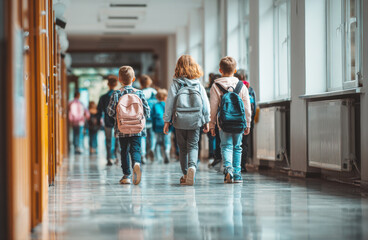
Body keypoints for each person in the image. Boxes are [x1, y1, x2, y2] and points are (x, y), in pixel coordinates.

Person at [163, 55, 210, 186]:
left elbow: (170, 103)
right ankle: (192, 167)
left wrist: (167, 121)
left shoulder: (176, 84)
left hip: (180, 120)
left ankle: (185, 174)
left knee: (182, 148)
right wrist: (207, 120)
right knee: (193, 146)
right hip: (195, 120)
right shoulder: (198, 84)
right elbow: (205, 103)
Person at [209, 56, 251, 183]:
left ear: (220, 70)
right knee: (237, 147)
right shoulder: (241, 86)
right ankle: (237, 174)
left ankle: (228, 170)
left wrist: (212, 125)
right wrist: (247, 123)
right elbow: (247, 107)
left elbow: (213, 108)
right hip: (239, 122)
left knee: (226, 146)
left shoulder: (216, 85)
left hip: (224, 123)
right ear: (235, 70)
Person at [107, 66, 150, 185]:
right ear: (134, 79)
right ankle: (136, 163)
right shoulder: (139, 93)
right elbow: (147, 111)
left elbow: (110, 111)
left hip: (122, 128)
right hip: (137, 128)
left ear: (119, 79)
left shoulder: (116, 93)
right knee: (136, 148)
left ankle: (126, 175)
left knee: (124, 150)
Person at [235, 70, 257, 172]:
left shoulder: (234, 88)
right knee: (244, 144)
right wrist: (250, 121)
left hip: (234, 120)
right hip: (247, 121)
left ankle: (234, 166)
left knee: (234, 143)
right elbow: (254, 106)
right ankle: (242, 166)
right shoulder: (250, 89)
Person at [97, 75, 120, 166]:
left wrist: (99, 120)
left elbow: (99, 110)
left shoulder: (103, 97)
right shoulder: (119, 95)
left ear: (108, 84)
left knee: (108, 140)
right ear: (116, 84)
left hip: (107, 121)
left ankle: (109, 157)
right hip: (118, 121)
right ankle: (117, 156)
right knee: (118, 139)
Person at [139, 74, 157, 164]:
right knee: (152, 136)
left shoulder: (139, 93)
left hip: (143, 118)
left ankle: (143, 155)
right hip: (153, 118)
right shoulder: (154, 92)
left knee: (143, 137)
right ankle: (152, 148)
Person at [151, 88, 170, 164]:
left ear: (157, 97)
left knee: (158, 142)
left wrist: (153, 126)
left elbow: (152, 116)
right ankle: (167, 151)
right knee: (167, 141)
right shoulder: (167, 105)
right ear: (166, 97)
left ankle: (159, 157)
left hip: (157, 126)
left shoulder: (155, 105)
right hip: (167, 125)